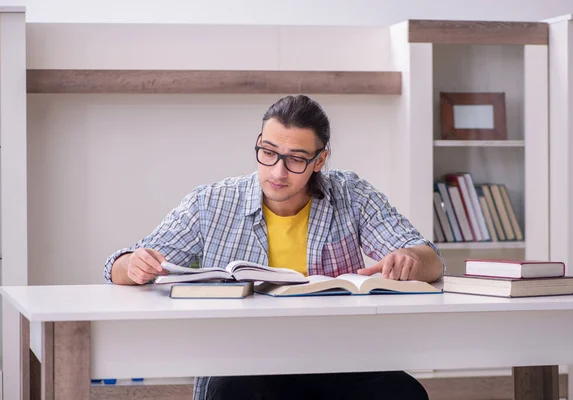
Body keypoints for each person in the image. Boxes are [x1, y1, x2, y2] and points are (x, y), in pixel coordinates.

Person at [105, 94, 444, 400]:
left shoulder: (351, 195)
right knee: (232, 391)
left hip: (336, 356)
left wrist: (410, 257)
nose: (278, 172)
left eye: (296, 159)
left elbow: (430, 259)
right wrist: (133, 264)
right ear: (258, 144)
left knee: (405, 393)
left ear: (320, 159)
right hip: (241, 361)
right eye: (268, 153)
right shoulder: (211, 203)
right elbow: (120, 266)